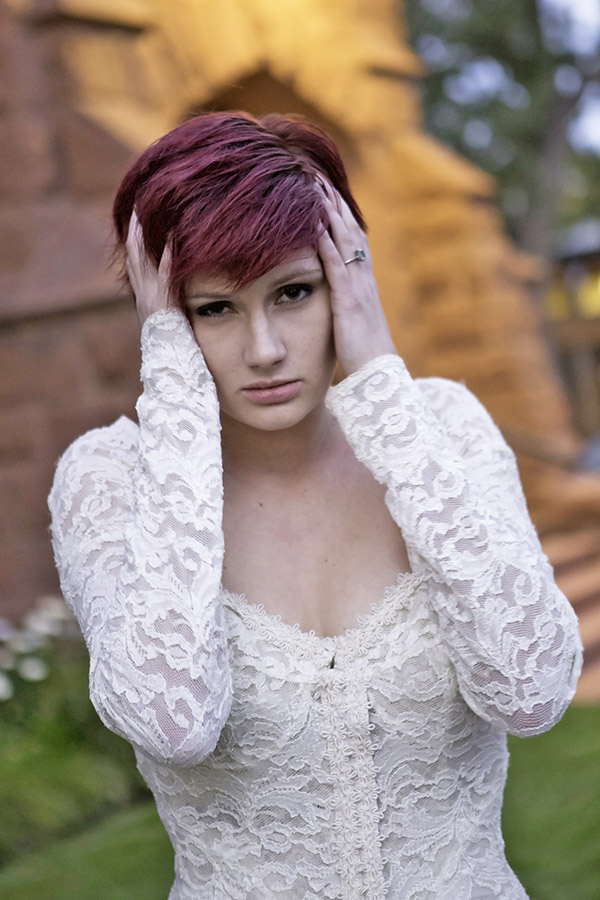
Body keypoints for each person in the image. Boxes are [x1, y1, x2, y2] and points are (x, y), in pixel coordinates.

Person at [48, 111, 582, 900]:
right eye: (214, 309)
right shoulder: (110, 479)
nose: (263, 348)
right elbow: (174, 722)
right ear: (164, 318)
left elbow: (532, 693)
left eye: (293, 293)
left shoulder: (440, 430)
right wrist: (172, 378)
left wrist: (380, 377)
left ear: (348, 282)